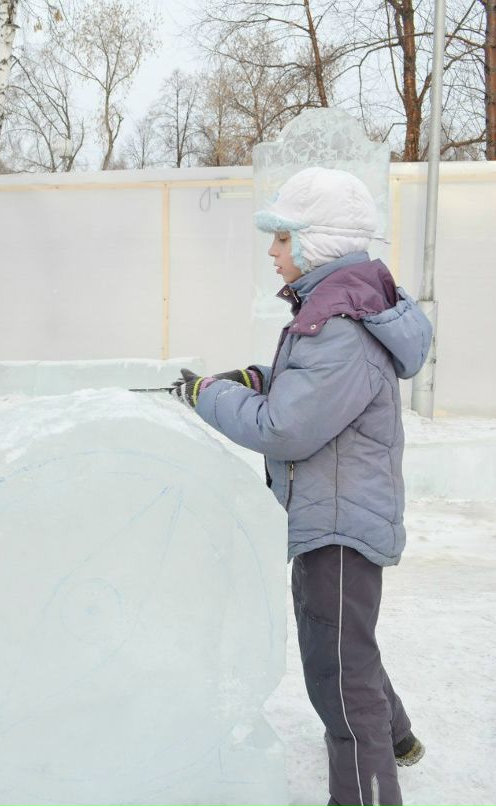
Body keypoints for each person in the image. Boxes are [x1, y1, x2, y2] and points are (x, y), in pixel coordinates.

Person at [169, 166, 431, 806]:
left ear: (316, 243)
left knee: (338, 674)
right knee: (342, 646)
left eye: (282, 238)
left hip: (337, 525)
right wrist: (257, 376)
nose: (272, 251)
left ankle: (368, 791)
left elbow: (287, 429)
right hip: (330, 514)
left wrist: (210, 396)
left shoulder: (338, 323)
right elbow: (307, 390)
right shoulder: (337, 309)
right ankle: (395, 737)